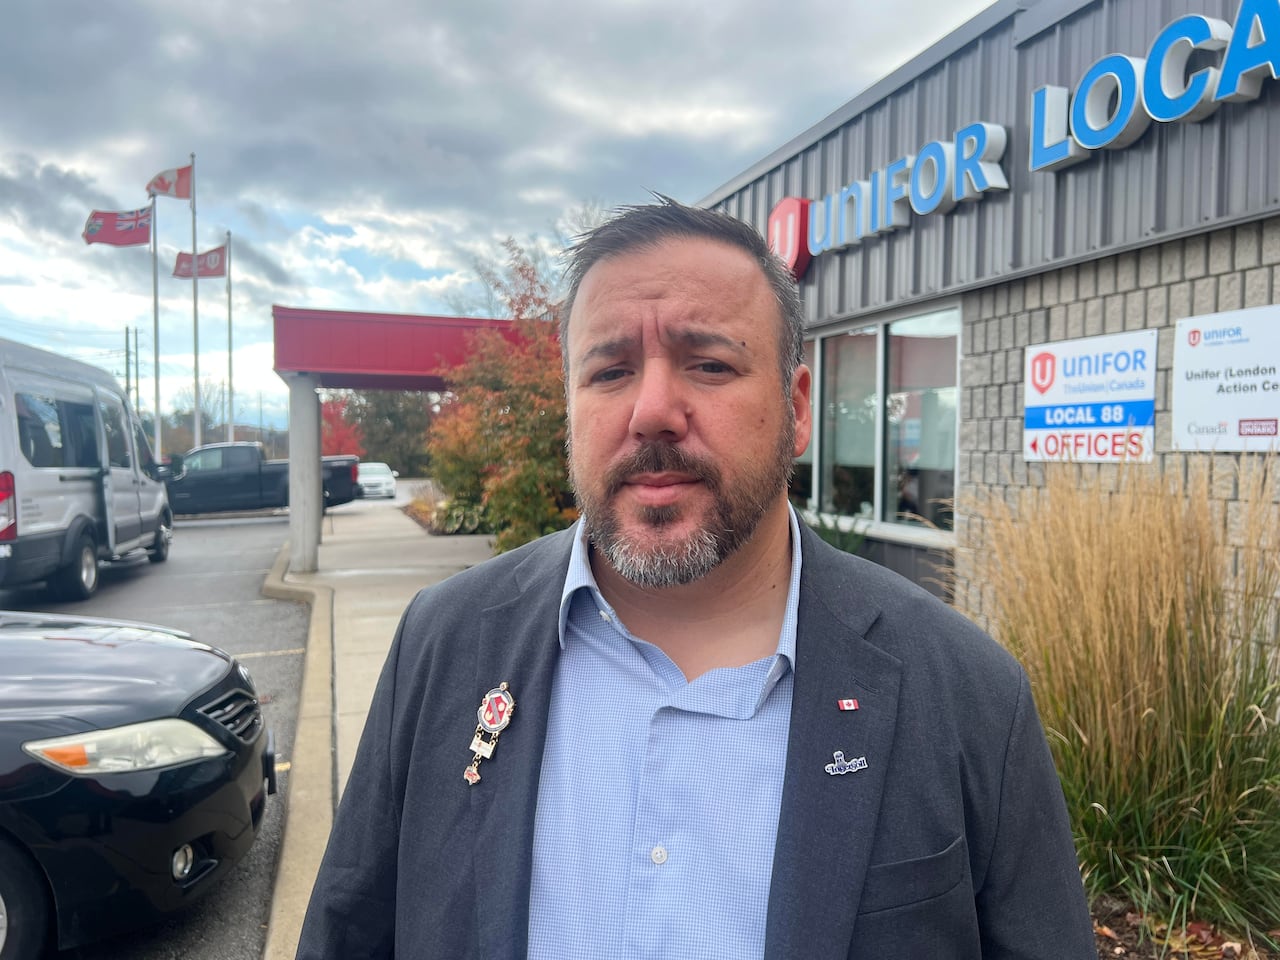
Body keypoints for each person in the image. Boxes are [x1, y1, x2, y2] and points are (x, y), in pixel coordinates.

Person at [296, 197, 1095, 959]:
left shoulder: (964, 693)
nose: (651, 410)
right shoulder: (443, 645)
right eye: (608, 372)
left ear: (798, 406)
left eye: (708, 363)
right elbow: (348, 933)